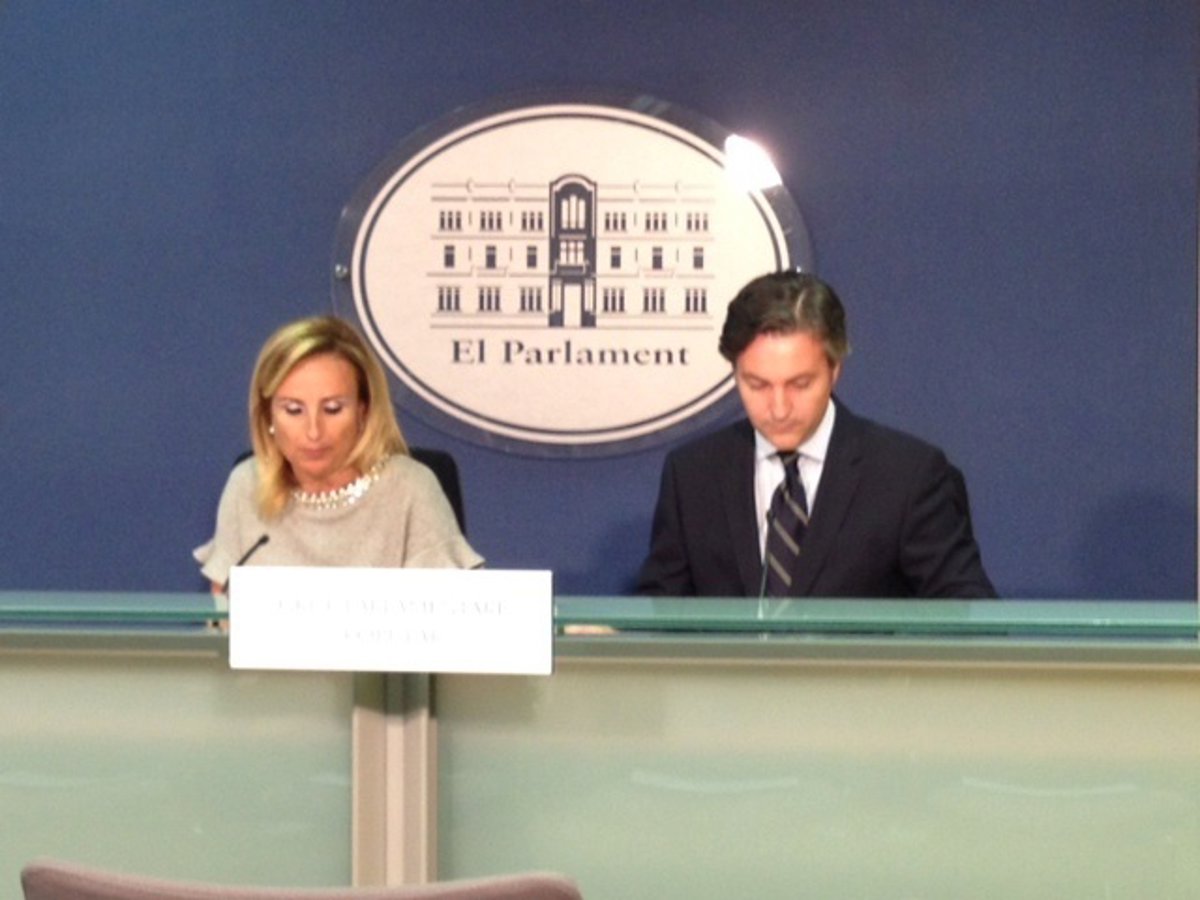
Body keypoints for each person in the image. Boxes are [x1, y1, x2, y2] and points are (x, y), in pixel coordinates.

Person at [636, 270, 996, 599]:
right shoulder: (693, 475)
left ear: (835, 369)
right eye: (757, 385)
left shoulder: (908, 476)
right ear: (735, 373)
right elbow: (659, 611)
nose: (779, 409)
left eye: (800, 384)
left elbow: (966, 612)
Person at [195, 315, 481, 593]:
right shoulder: (247, 486)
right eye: (293, 410)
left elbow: (450, 614)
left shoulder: (410, 489)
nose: (313, 431)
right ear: (268, 415)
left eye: (332, 409)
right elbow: (222, 615)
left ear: (363, 411)